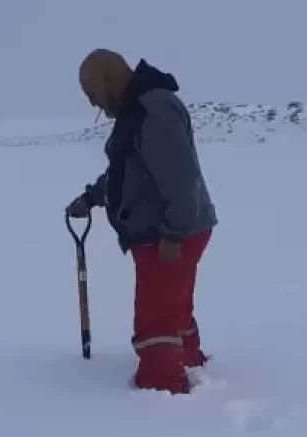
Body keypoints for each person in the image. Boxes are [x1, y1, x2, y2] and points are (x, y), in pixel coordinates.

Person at [66, 49, 218, 395]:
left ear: (109, 81)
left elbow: (181, 176)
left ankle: (161, 387)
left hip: (169, 231)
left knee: (156, 318)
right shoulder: (138, 109)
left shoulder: (153, 108)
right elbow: (127, 171)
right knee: (174, 305)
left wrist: (174, 233)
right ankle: (188, 362)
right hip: (173, 227)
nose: (92, 104)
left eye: (92, 94)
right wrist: (91, 198)